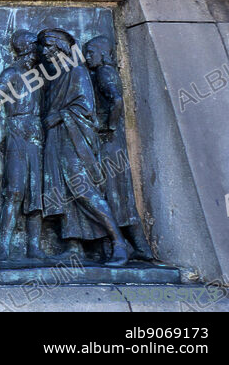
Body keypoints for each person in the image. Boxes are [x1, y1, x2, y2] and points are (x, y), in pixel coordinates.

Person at [38, 29, 130, 266]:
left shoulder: (77, 72)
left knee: (83, 189)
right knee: (64, 192)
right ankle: (74, 246)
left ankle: (118, 242)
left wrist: (59, 115)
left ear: (61, 47)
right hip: (57, 137)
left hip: (74, 137)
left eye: (49, 47)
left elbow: (86, 108)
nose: (45, 52)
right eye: (43, 47)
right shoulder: (56, 76)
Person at [84, 35, 155, 261]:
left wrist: (109, 126)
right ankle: (139, 247)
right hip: (113, 143)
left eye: (91, 53)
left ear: (103, 53)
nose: (87, 58)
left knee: (113, 193)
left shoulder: (104, 73)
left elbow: (116, 100)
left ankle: (125, 246)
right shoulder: (105, 72)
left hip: (109, 143)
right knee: (118, 195)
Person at [0, 30, 47, 259]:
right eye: (34, 49)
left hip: (36, 133)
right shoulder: (12, 73)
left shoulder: (40, 75)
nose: (37, 54)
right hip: (17, 131)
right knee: (15, 190)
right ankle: (3, 246)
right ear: (25, 50)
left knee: (36, 194)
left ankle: (34, 246)